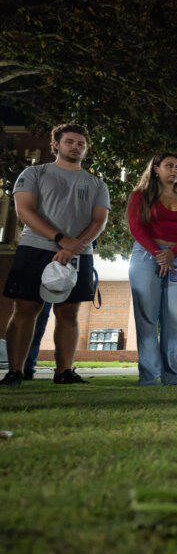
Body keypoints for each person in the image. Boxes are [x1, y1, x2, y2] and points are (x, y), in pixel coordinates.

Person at [2, 123, 109, 387]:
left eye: (81, 144)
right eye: (70, 142)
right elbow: (24, 211)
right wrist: (61, 240)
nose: (76, 147)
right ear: (56, 146)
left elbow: (99, 221)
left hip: (78, 254)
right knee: (25, 309)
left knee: (69, 313)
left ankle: (64, 372)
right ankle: (15, 371)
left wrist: (74, 246)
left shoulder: (96, 183)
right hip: (35, 249)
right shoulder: (34, 173)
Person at [126, 152, 177, 386]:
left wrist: (172, 254)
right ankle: (149, 376)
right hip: (146, 257)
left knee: (176, 319)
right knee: (147, 316)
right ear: (156, 169)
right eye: (169, 166)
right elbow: (136, 228)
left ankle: (173, 375)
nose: (175, 171)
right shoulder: (141, 196)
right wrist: (160, 256)